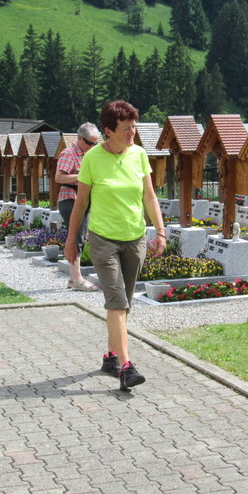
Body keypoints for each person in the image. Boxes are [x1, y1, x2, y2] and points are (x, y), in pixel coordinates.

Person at [64, 100, 166, 391]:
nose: (132, 132)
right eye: (126, 128)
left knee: (123, 305)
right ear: (109, 131)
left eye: (134, 126)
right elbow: (81, 203)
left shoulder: (139, 155)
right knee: (117, 301)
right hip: (103, 240)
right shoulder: (93, 159)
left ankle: (111, 357)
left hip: (134, 238)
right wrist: (71, 241)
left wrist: (160, 231)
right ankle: (127, 367)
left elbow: (149, 196)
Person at [54, 122, 101, 292]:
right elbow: (59, 177)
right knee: (77, 236)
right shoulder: (69, 153)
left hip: (84, 199)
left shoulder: (90, 153)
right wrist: (83, 176)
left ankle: (74, 278)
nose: (92, 146)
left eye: (95, 143)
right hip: (70, 199)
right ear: (79, 138)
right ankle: (76, 278)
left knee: (80, 235)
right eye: (89, 142)